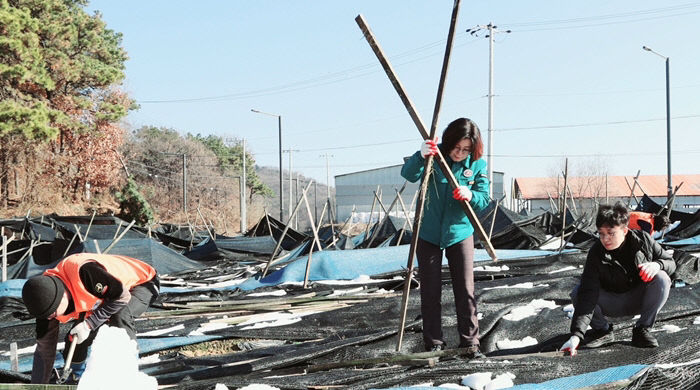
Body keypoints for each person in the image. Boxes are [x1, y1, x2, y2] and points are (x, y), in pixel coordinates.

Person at [401, 117, 490, 358]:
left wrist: (470, 193)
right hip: (428, 233)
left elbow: (484, 198)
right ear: (449, 142)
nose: (460, 153)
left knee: (465, 289)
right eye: (457, 148)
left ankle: (470, 342)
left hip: (459, 233)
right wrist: (420, 154)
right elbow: (408, 174)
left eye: (466, 149)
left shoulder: (477, 165)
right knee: (430, 291)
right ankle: (434, 343)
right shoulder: (434, 156)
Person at [22, 253, 160, 384]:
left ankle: (128, 373)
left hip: (142, 282)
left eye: (53, 313)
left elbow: (121, 297)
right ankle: (77, 376)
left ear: (63, 296)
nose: (51, 318)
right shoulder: (44, 305)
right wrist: (38, 385)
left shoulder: (85, 272)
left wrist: (89, 324)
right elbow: (45, 350)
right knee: (75, 338)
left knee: (119, 315)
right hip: (101, 296)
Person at [559, 203, 675, 356]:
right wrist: (576, 335)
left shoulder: (643, 240)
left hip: (640, 299)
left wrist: (657, 264)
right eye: (601, 233)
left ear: (625, 230)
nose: (605, 239)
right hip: (612, 302)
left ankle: (642, 330)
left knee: (662, 278)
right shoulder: (596, 253)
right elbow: (588, 293)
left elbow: (671, 263)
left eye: (611, 233)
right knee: (578, 292)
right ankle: (603, 331)